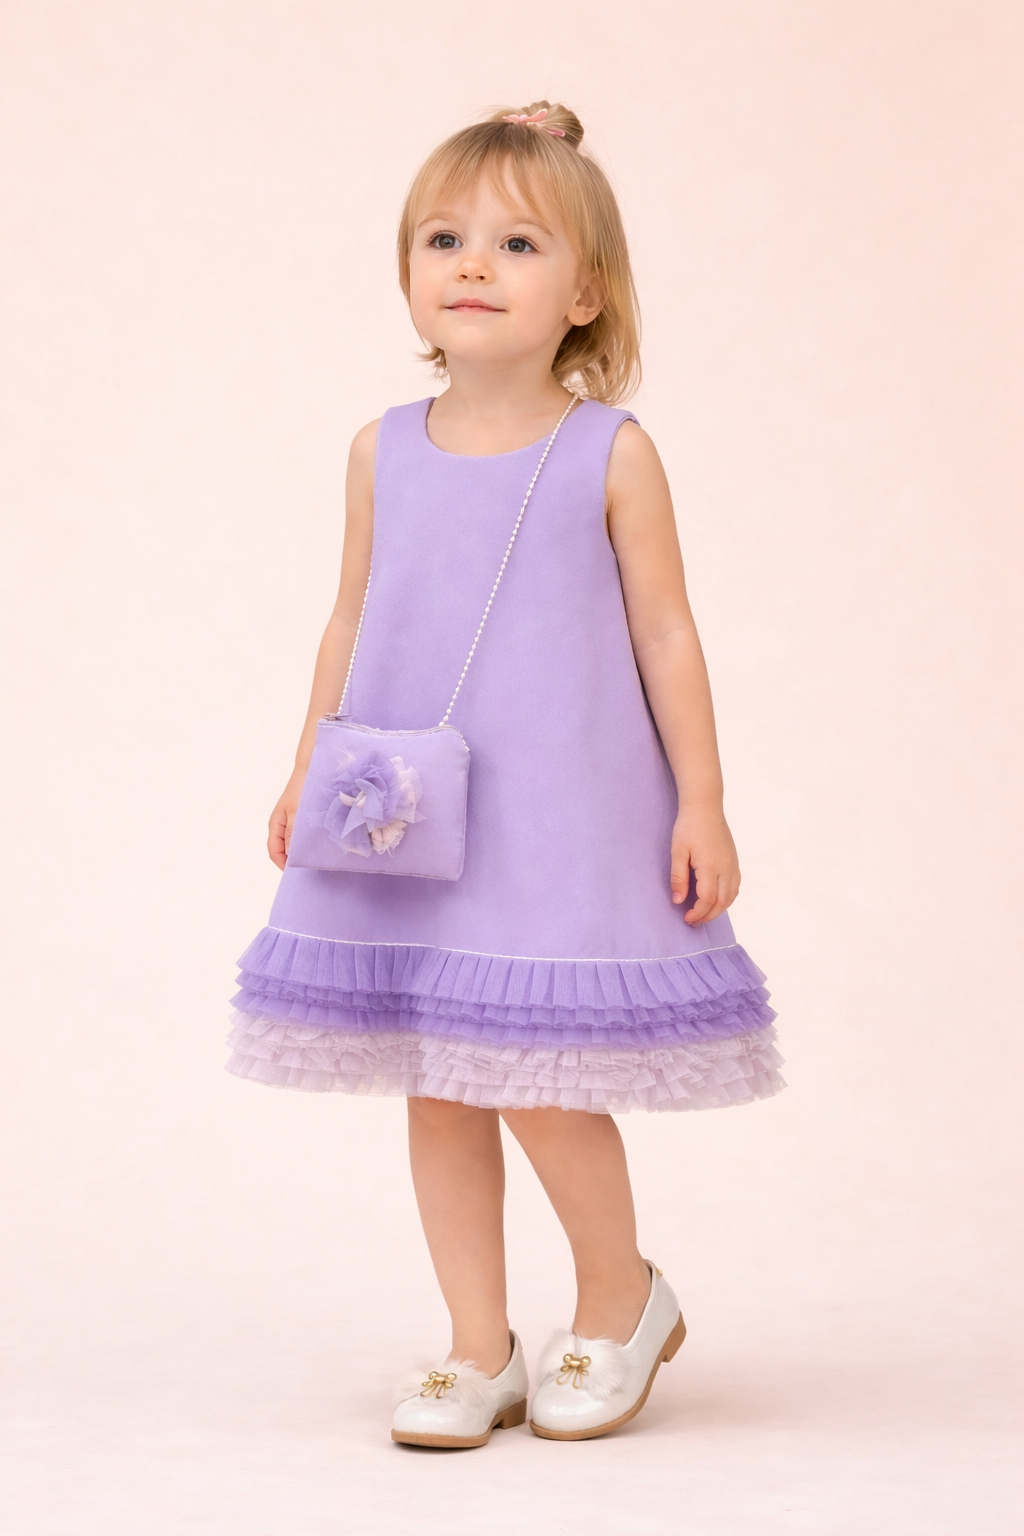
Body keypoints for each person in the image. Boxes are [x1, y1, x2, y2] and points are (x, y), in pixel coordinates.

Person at [226, 102, 783, 1448]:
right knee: (437, 1074)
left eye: (518, 243)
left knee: (541, 1073)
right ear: (408, 270)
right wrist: (307, 767)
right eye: (444, 238)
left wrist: (703, 800)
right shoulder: (382, 449)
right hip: (408, 814)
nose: (473, 263)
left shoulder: (610, 452)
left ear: (586, 292)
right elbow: (351, 617)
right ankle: (478, 1345)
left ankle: (620, 1300)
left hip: (557, 816)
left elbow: (667, 631)